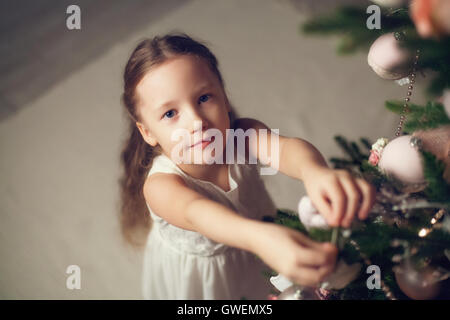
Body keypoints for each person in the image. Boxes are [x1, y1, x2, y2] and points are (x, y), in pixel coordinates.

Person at [119, 32, 375, 299]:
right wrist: (261, 239)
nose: (196, 122)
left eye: (204, 98)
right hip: (208, 278)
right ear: (147, 132)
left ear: (224, 97)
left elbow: (285, 150)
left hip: (265, 243)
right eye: (170, 113)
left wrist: (316, 173)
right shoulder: (160, 187)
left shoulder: (243, 135)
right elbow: (198, 213)